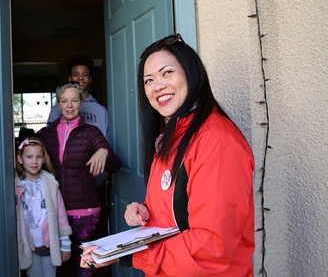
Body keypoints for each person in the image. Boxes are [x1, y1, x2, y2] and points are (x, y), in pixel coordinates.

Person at [80, 34, 255, 276]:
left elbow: (213, 248)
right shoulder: (170, 135)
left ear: (191, 73)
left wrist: (127, 253)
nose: (157, 86)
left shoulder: (216, 140)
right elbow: (178, 209)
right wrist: (146, 210)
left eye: (167, 72)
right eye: (148, 80)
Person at [40, 82, 122, 277]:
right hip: (54, 208)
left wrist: (104, 151)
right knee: (58, 262)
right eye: (64, 101)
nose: (69, 106)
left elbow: (115, 165)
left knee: (84, 263)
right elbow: (31, 160)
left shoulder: (91, 132)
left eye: (74, 100)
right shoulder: (46, 134)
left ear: (81, 102)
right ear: (58, 104)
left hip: (85, 210)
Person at [15, 137, 72, 277]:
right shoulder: (16, 186)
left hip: (48, 244)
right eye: (29, 157)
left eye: (38, 157)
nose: (34, 161)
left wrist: (65, 244)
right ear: (20, 159)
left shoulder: (50, 184)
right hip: (29, 245)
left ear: (44, 159)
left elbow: (61, 216)